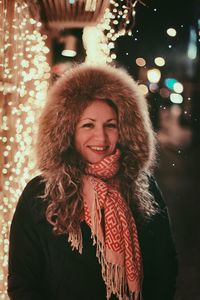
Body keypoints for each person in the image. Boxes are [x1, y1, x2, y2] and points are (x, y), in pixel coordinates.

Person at [7, 64, 178, 300]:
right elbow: (23, 282)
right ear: (67, 130)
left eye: (111, 125)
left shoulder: (142, 186)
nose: (101, 137)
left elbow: (164, 269)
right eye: (88, 125)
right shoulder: (41, 193)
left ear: (125, 130)